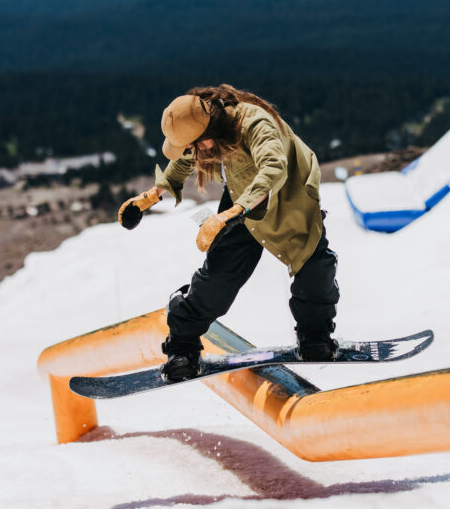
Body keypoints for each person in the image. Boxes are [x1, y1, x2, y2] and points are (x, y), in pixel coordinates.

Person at [117, 84, 340, 381]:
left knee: (314, 267)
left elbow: (274, 167)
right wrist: (152, 195)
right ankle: (182, 347)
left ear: (208, 136)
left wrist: (235, 211)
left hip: (288, 196)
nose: (195, 153)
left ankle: (315, 338)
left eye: (196, 146)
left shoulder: (256, 123)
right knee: (218, 281)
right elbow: (185, 157)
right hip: (240, 200)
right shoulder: (208, 130)